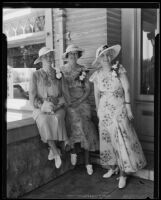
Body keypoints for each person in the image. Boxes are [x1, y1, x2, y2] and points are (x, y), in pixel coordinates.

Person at [89, 44, 147, 188]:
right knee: (108, 141)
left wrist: (128, 108)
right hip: (104, 113)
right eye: (103, 56)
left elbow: (127, 89)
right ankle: (113, 168)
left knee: (122, 141)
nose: (106, 58)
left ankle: (123, 174)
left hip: (119, 110)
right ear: (99, 59)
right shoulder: (96, 75)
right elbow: (97, 95)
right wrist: (98, 112)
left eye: (108, 54)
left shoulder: (118, 69)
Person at [29, 47, 70, 169]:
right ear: (41, 59)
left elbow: (65, 94)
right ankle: (55, 151)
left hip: (58, 106)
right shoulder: (35, 75)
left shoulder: (59, 74)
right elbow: (32, 96)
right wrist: (42, 106)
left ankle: (57, 148)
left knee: (57, 118)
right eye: (45, 56)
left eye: (50, 55)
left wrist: (58, 105)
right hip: (41, 107)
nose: (49, 58)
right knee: (43, 120)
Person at [61, 44, 99, 175]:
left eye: (75, 54)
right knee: (73, 122)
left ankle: (88, 162)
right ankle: (73, 151)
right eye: (70, 54)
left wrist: (79, 101)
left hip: (82, 101)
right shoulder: (61, 71)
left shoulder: (83, 69)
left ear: (78, 56)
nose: (73, 56)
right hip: (69, 103)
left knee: (86, 127)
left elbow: (88, 89)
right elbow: (59, 90)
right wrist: (69, 102)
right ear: (67, 56)